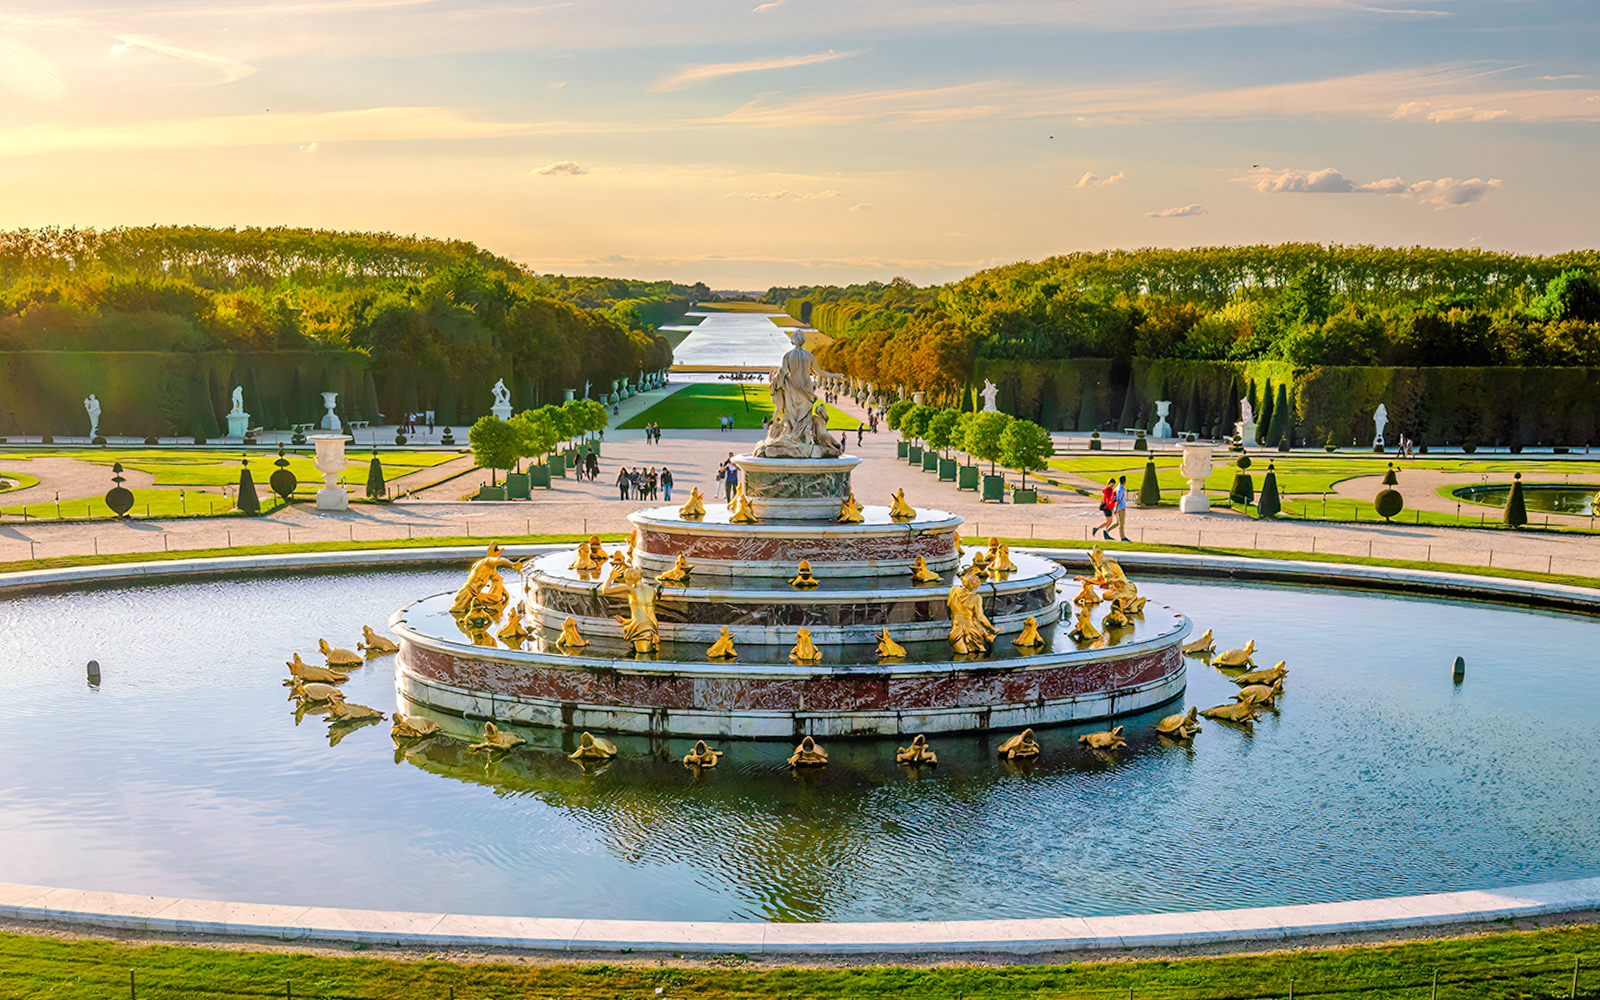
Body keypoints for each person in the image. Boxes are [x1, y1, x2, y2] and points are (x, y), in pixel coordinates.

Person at [1112, 475, 1129, 541]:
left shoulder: (1118, 487)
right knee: (1121, 523)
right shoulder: (1120, 489)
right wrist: (1116, 509)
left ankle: (1107, 531)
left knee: (1119, 522)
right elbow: (1118, 499)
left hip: (1120, 507)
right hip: (1121, 507)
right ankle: (1122, 537)